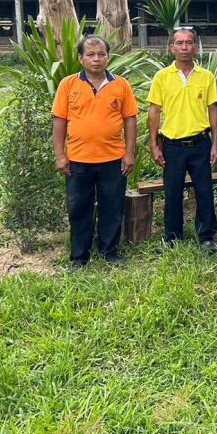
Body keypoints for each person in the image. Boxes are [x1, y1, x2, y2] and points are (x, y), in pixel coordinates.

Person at [52, 35, 139, 271]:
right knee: (79, 209)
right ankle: (79, 257)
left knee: (113, 207)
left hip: (113, 159)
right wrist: (60, 155)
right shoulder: (68, 85)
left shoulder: (121, 85)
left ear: (108, 57)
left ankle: (110, 251)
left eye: (101, 54)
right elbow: (59, 121)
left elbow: (130, 120)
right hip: (78, 160)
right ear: (81, 58)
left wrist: (129, 153)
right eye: (90, 55)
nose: (96, 59)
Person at [147, 27, 217, 254]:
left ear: (196, 47)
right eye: (179, 43)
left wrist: (215, 144)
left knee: (205, 191)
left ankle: (206, 237)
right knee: (172, 192)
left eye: (189, 43)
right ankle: (172, 237)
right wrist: (153, 144)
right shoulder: (162, 77)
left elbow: (213, 109)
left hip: (200, 143)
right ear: (172, 48)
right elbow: (154, 111)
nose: (184, 47)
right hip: (172, 146)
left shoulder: (206, 76)